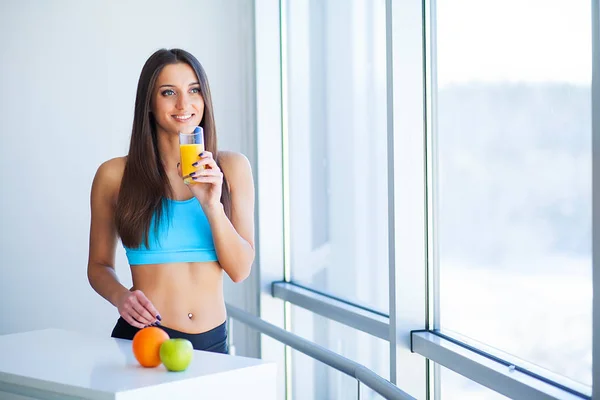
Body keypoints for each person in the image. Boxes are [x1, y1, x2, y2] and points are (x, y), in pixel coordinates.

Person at [87, 48, 255, 354]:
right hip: (144, 339)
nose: (184, 104)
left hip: (212, 343)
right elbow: (98, 266)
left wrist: (212, 206)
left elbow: (240, 270)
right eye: (168, 92)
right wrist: (121, 297)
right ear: (149, 103)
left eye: (194, 90)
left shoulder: (232, 168)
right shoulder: (114, 175)